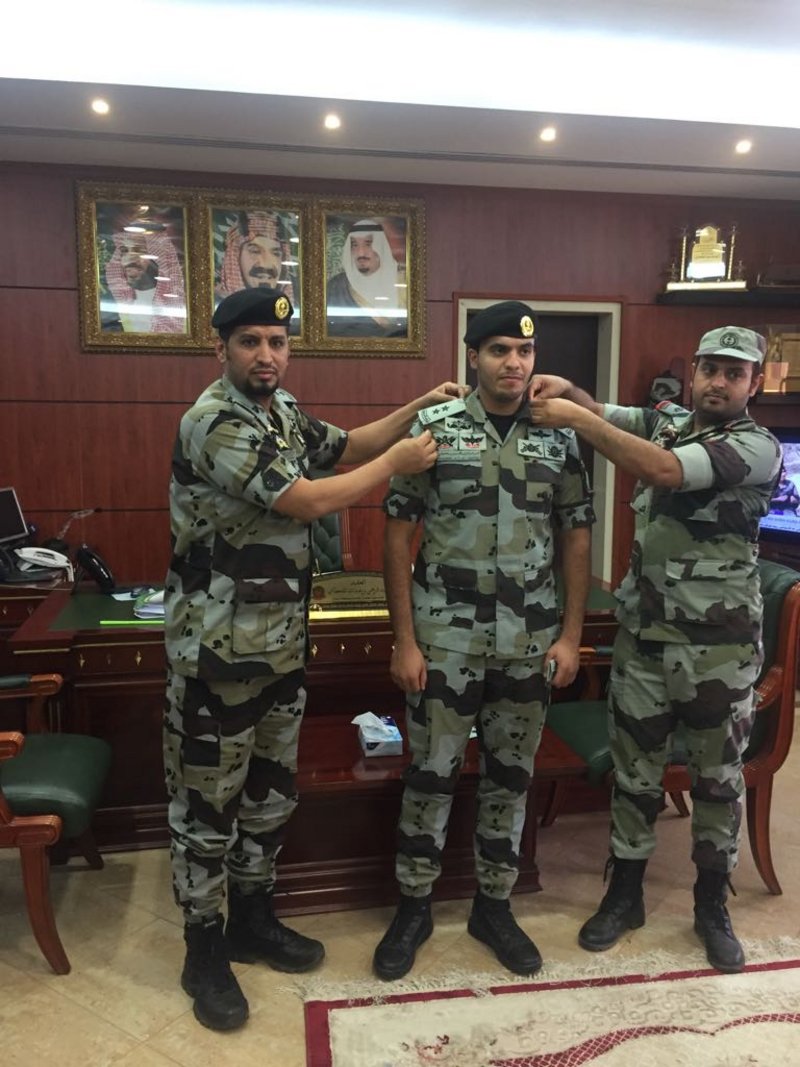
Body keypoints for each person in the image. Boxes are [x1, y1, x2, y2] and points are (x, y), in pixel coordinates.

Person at [164, 286, 466, 1032]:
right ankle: (203, 949)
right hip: (217, 658)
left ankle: (252, 918)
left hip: (278, 650)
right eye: (250, 342)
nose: (266, 355)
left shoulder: (283, 411)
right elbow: (304, 499)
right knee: (207, 810)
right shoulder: (214, 420)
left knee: (269, 798)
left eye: (277, 341)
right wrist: (399, 460)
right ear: (221, 349)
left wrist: (417, 406)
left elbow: (349, 445)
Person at [529, 325, 783, 974]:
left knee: (716, 783)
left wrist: (577, 421)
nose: (719, 382)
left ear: (754, 383)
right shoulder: (669, 420)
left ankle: (710, 905)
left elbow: (664, 470)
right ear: (694, 372)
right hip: (643, 642)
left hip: (716, 656)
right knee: (634, 776)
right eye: (710, 369)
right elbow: (608, 412)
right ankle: (624, 895)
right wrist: (572, 392)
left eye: (735, 373)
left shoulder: (755, 447)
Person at [372, 301, 594, 981]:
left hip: (528, 641)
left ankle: (493, 906)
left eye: (524, 352)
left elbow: (576, 535)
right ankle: (414, 906)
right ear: (473, 357)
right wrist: (404, 641)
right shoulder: (435, 428)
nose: (513, 363)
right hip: (445, 640)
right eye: (499, 350)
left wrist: (572, 635)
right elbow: (397, 536)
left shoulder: (559, 434)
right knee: (430, 775)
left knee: (510, 778)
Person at [326, 218, 406, 337]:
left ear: (381, 246)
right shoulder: (336, 287)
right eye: (354, 245)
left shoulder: (404, 283)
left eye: (368, 244)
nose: (361, 253)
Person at [104, 228, 186, 333]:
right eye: (124, 251)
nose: (129, 258)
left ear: (158, 259)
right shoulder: (117, 304)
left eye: (139, 251)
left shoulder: (180, 305)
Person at [215, 210, 298, 308]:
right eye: (255, 251)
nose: (266, 264)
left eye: (276, 253)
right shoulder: (219, 304)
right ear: (235, 257)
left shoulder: (294, 306)